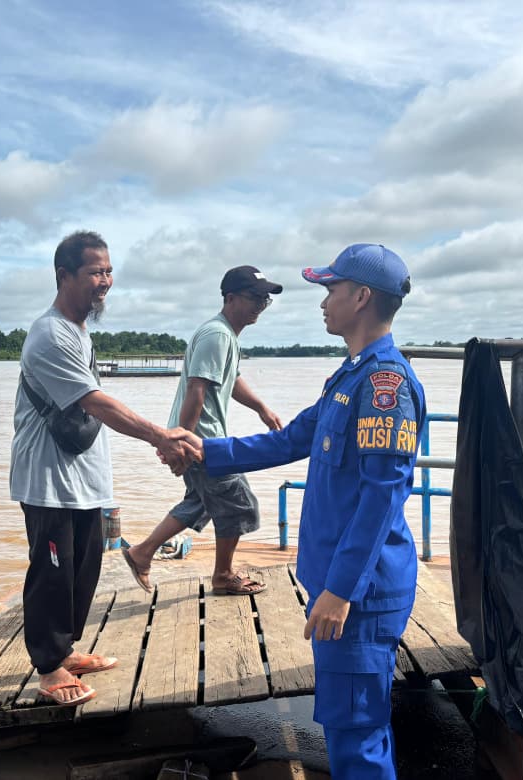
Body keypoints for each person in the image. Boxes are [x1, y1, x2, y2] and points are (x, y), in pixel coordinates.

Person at [165, 244, 425, 778]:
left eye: (330, 290)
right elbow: (288, 441)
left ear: (361, 296)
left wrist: (340, 591)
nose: (323, 301)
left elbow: (382, 498)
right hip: (342, 585)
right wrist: (202, 449)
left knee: (357, 733)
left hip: (359, 594)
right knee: (346, 723)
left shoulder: (385, 387)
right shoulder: (351, 377)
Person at [10, 230, 192, 707]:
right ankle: (49, 668)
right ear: (63, 275)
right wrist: (160, 436)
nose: (105, 281)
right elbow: (95, 402)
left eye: (109, 271)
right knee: (51, 574)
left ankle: (65, 651)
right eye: (95, 271)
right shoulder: (49, 334)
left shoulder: (79, 332)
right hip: (48, 480)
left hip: (83, 480)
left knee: (83, 569)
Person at [121, 266, 284, 596]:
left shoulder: (225, 335)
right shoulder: (217, 335)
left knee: (202, 502)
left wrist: (261, 408)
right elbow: (197, 389)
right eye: (255, 297)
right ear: (231, 298)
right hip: (201, 441)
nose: (260, 305)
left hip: (201, 439)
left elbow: (230, 379)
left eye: (264, 300)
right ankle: (222, 575)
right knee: (240, 505)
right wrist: (180, 442)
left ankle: (142, 552)